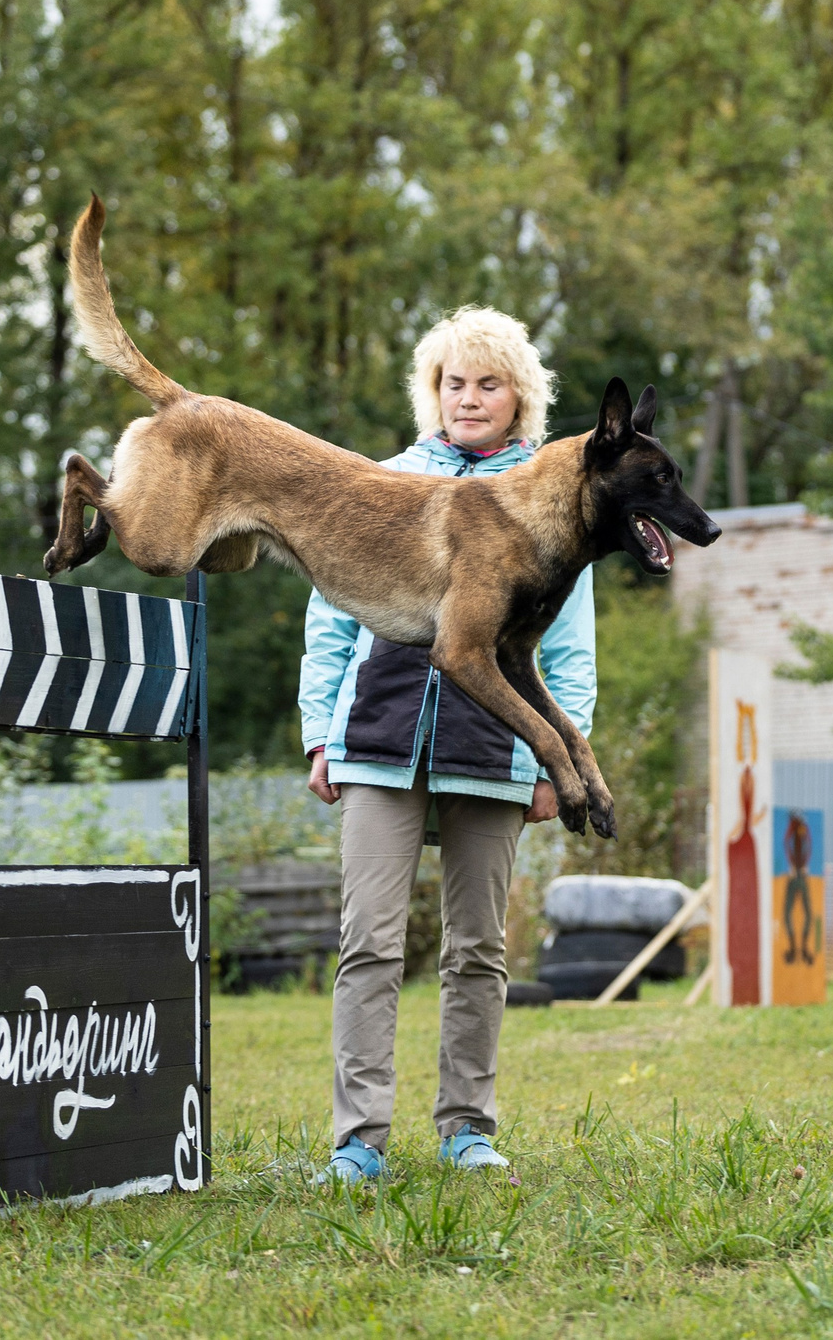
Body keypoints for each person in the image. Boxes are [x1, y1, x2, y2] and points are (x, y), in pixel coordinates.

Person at [297, 307, 595, 1184]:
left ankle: (467, 1127)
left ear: (519, 400)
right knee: (370, 943)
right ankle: (359, 1140)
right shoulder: (382, 481)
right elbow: (331, 613)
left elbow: (569, 646)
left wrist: (559, 760)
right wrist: (321, 731)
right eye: (455, 382)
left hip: (497, 750)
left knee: (477, 949)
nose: (470, 399)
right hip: (378, 738)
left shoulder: (551, 496)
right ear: (434, 392)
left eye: (489, 384)